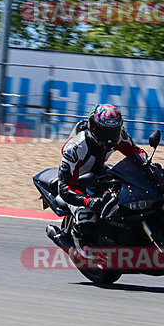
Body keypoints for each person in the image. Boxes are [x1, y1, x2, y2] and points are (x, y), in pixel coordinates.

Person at [57, 104, 144, 257]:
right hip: (76, 183)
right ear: (93, 127)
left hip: (99, 171)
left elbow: (136, 153)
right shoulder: (75, 148)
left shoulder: (120, 135)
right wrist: (87, 201)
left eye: (114, 131)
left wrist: (147, 165)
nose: (110, 137)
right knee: (87, 217)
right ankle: (80, 245)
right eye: (105, 131)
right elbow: (64, 188)